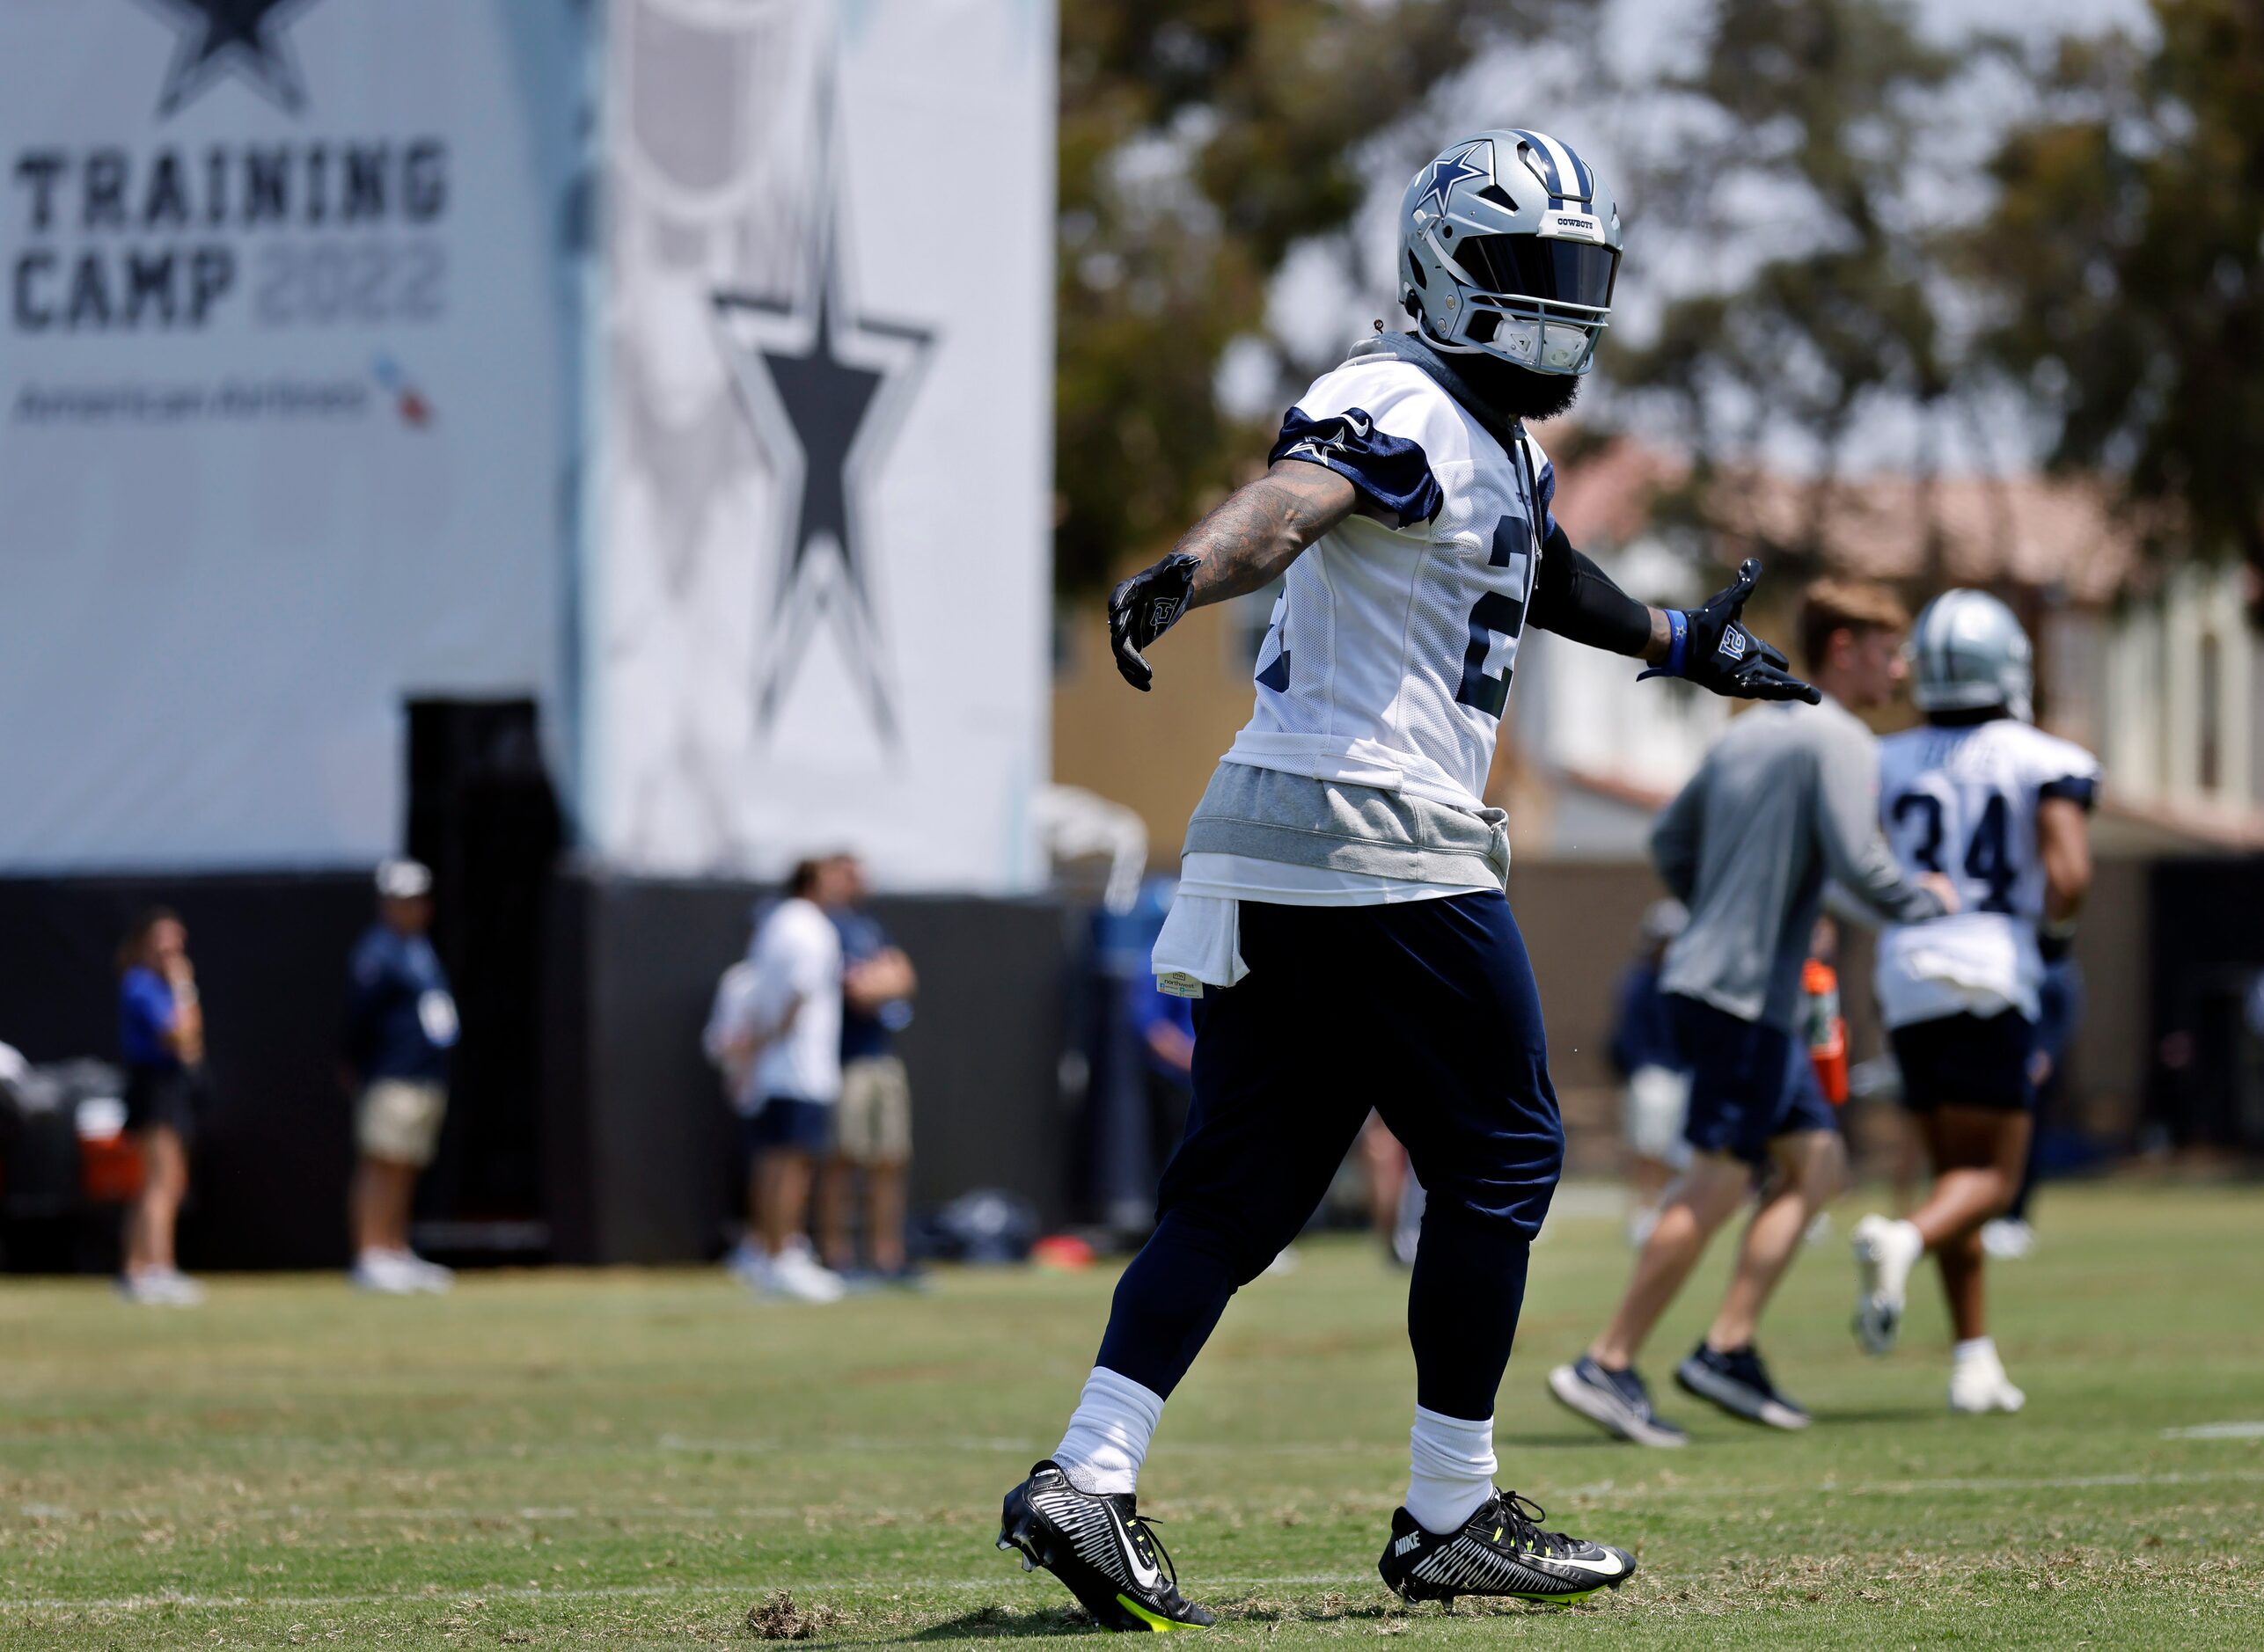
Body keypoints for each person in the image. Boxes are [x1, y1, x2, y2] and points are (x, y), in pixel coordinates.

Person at [996, 129, 1821, 1628]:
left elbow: (1538, 567)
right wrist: (1189, 572)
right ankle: (1449, 1506)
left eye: (1578, 279)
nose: (1562, 310)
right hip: (1375, 826)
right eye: (1533, 276)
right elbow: (1294, 500)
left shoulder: (1494, 444)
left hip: (1265, 835)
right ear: (1447, 274)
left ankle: (1086, 1473)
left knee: (1240, 1183)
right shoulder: (1393, 394)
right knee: (1503, 1153)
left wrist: (1680, 643)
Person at [1549, 581, 1955, 1445]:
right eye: (1887, 650)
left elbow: (1667, 844)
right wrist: (1930, 903)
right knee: (1720, 1177)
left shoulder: (1744, 733)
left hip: (1722, 987)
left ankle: (1725, 1349)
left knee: (1815, 1164)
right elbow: (1860, 863)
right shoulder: (1838, 736)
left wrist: (1722, 911)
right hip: (1740, 998)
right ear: (1839, 648)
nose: (1900, 668)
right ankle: (1607, 1362)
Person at [1851, 590, 2098, 1414]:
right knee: (1994, 1177)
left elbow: (1854, 862)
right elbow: (2067, 877)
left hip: (1907, 970)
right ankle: (1906, 1237)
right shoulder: (2043, 757)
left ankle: (1972, 1359)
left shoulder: (1885, 757)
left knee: (1954, 1170)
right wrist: (2055, 939)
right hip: (1992, 967)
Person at [707, 857, 853, 1304]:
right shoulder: (810, 927)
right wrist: (773, 1039)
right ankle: (783, 1256)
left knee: (774, 1161)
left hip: (778, 1068)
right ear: (812, 881)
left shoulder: (778, 924)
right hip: (799, 1066)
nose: (847, 884)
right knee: (792, 1163)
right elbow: (799, 993)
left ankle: (769, 1255)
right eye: (837, 875)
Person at [341, 859, 459, 1294]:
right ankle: (370, 1253)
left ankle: (393, 1248)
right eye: (402, 900)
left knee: (406, 1164)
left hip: (423, 1075)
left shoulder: (420, 949)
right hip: (390, 1074)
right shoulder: (378, 951)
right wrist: (355, 1064)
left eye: (417, 900)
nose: (412, 908)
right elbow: (358, 1018)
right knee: (380, 1161)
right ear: (387, 904)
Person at [820, 854, 920, 1282]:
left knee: (891, 1158)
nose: (857, 881)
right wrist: (881, 982)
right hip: (846, 1059)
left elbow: (905, 977)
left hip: (882, 1059)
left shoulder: (871, 926)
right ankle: (836, 1256)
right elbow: (858, 992)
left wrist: (881, 981)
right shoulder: (824, 929)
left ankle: (886, 1256)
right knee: (842, 1159)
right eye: (846, 873)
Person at [115, 909, 209, 1306]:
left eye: (176, 941)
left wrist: (183, 993)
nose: (170, 949)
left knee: (160, 1179)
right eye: (162, 940)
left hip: (169, 1086)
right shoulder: (140, 985)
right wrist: (185, 985)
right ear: (144, 943)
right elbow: (179, 1035)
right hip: (153, 1087)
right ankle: (158, 1269)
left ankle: (137, 1268)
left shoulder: (164, 987)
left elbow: (193, 1041)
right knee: (162, 1180)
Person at [1981, 955, 2080, 1259]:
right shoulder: (2002, 961)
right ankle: (1986, 1216)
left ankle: (2016, 1219)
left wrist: (2047, 1055)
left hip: (2036, 1076)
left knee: (2026, 1148)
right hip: (1997, 1069)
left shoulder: (2058, 968)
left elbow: (2066, 1015)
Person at [1608, 899, 1690, 1246]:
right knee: (1648, 1149)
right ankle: (1643, 1213)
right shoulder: (1638, 982)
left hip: (1685, 1074)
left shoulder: (1689, 982)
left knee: (1678, 1152)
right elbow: (1626, 1037)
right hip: (1651, 1074)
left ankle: (1669, 1212)